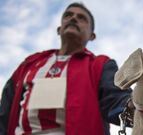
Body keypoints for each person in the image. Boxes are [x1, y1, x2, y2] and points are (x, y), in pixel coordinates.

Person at [0, 2, 133, 135]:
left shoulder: (100, 65)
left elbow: (116, 99)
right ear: (59, 29)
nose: (73, 18)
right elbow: (4, 113)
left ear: (92, 35)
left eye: (81, 18)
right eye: (68, 15)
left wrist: (137, 105)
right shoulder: (29, 64)